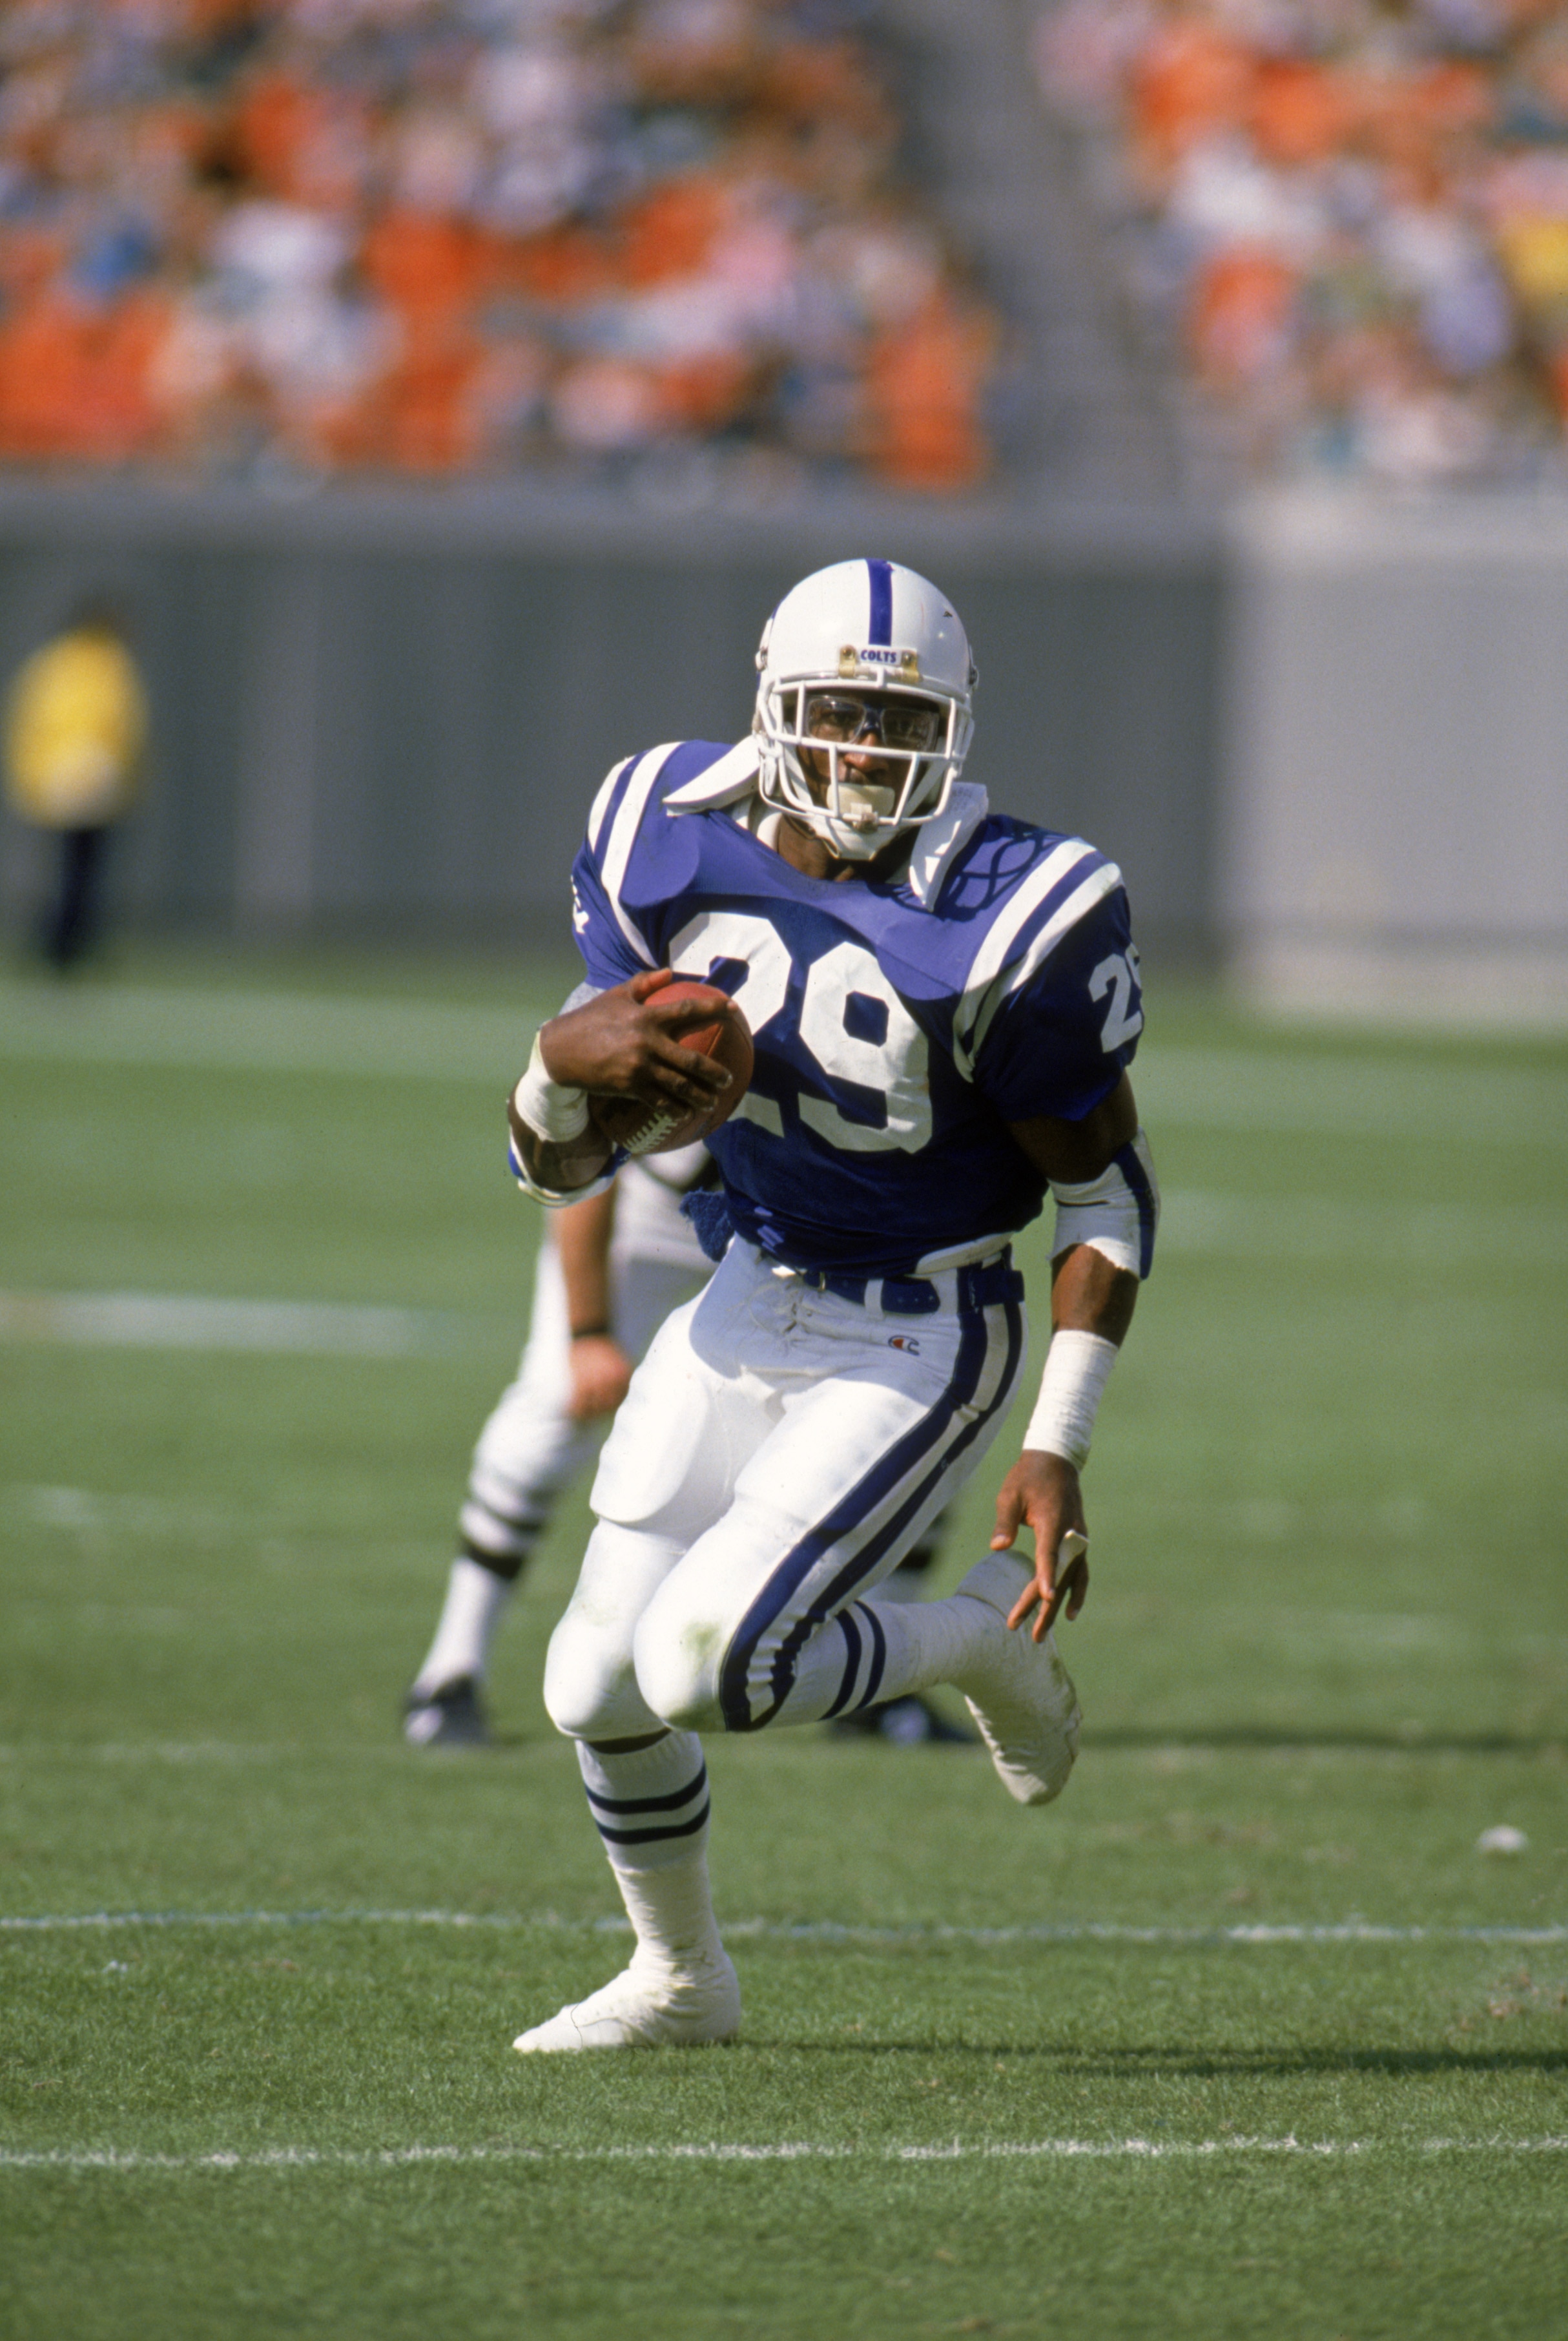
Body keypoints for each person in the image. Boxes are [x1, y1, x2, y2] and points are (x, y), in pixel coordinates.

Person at [505, 558, 1157, 2052]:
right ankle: (679, 1977)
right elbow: (555, 1170)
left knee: (703, 1660)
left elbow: (1108, 1193)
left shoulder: (1020, 912)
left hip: (920, 1325)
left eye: (896, 717)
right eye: (837, 714)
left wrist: (1055, 1441)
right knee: (592, 1677)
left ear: (952, 724)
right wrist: (553, 1070)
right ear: (772, 706)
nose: (865, 751)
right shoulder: (657, 834)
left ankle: (977, 1635)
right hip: (746, 1288)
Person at [404, 1146, 967, 1748]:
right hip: (654, 1219)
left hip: (808, 1230)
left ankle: (876, 1696)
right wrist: (589, 1332)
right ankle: (450, 1673)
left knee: (911, 1416)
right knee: (552, 1411)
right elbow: (581, 1146)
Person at [3, 598, 148, 972]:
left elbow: (28, 725)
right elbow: (123, 728)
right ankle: (66, 942)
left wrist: (31, 780)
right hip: (92, 779)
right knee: (82, 870)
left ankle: (62, 940)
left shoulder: (51, 663)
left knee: (71, 868)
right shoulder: (108, 666)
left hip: (55, 780)